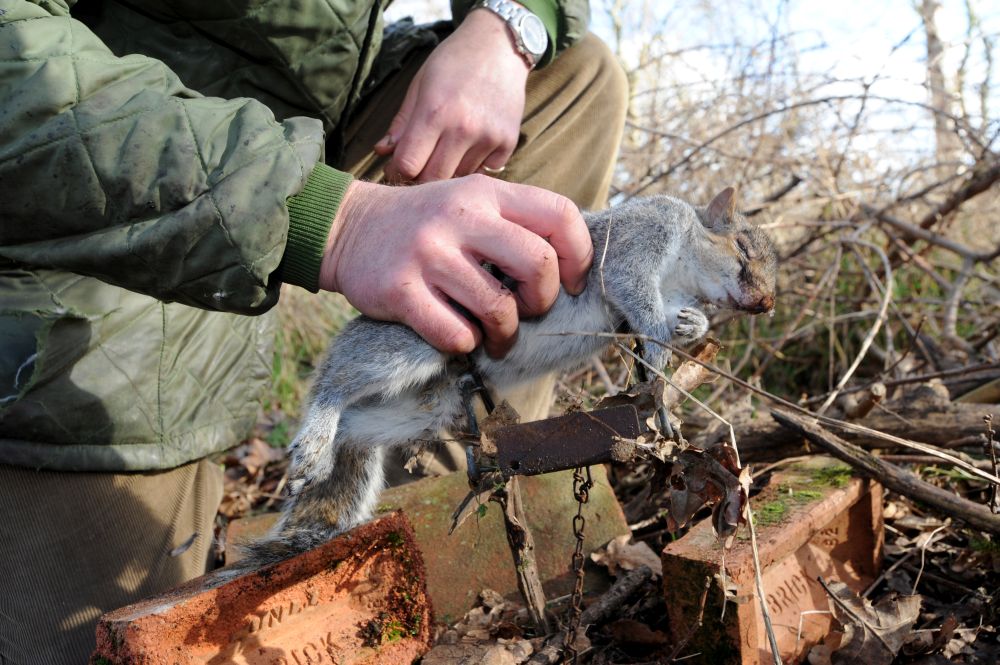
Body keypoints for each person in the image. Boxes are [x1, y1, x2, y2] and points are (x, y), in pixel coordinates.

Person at [0, 0, 628, 661]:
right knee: (114, 637)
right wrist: (329, 220)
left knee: (578, 77)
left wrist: (507, 27)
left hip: (306, 115)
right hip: (88, 184)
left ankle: (416, 517)